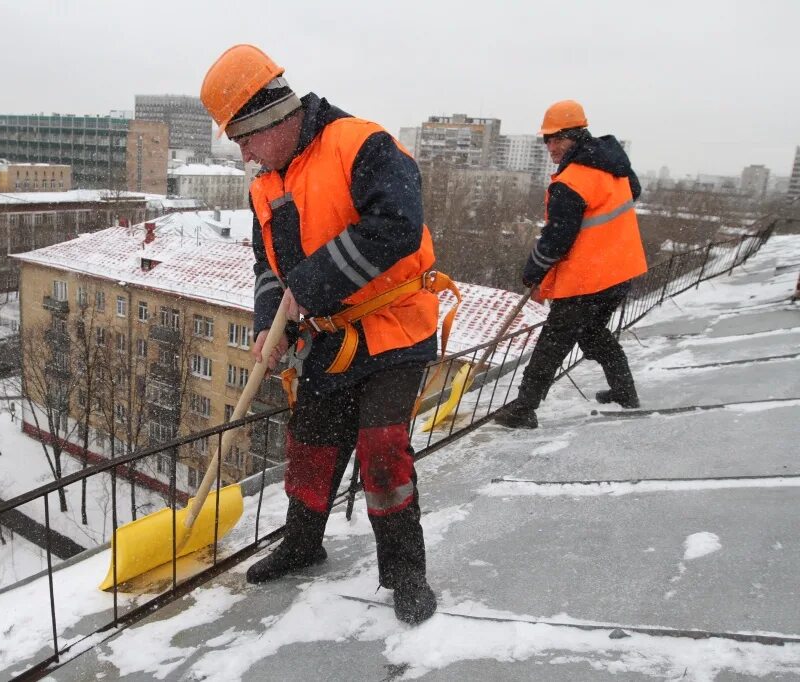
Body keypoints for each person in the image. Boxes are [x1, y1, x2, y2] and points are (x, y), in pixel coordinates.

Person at [200, 44, 440, 624]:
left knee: (381, 449)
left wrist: (310, 286)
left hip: (395, 326)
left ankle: (405, 572)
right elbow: (268, 270)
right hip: (329, 339)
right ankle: (303, 543)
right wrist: (268, 327)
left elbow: (399, 226)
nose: (244, 152)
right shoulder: (265, 185)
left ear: (270, 121)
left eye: (244, 137)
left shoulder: (360, 144)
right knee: (309, 445)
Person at [494, 100, 647, 430]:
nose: (549, 146)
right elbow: (631, 193)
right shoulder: (614, 169)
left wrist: (533, 270)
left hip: (588, 279)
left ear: (574, 136)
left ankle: (523, 408)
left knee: (552, 343)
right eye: (546, 140)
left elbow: (556, 239)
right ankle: (624, 392)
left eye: (554, 139)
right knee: (592, 335)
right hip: (619, 271)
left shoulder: (572, 181)